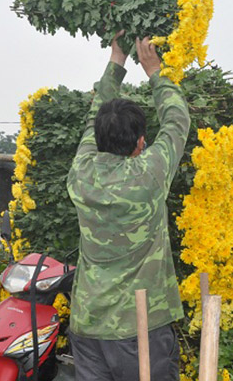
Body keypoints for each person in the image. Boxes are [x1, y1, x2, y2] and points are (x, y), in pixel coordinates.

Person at [66, 31, 191, 381]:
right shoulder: (147, 175)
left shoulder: (82, 172)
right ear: (140, 143)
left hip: (88, 324)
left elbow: (95, 117)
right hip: (139, 327)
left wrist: (117, 61)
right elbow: (178, 122)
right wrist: (156, 72)